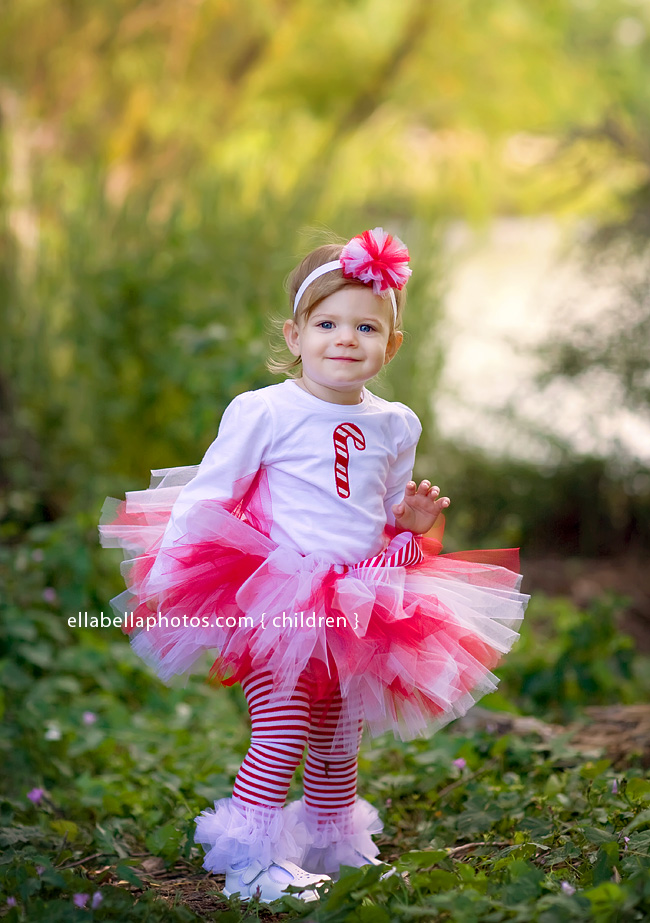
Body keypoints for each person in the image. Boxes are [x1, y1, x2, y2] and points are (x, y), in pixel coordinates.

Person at [100, 227, 529, 903]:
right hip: (278, 596)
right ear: (295, 335)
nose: (345, 338)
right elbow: (210, 494)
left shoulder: (396, 423)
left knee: (337, 736)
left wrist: (411, 527)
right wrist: (171, 577)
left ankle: (333, 843)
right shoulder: (264, 410)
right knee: (282, 729)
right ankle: (252, 861)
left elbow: (385, 518)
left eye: (366, 326)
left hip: (361, 600)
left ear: (391, 346)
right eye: (327, 322)